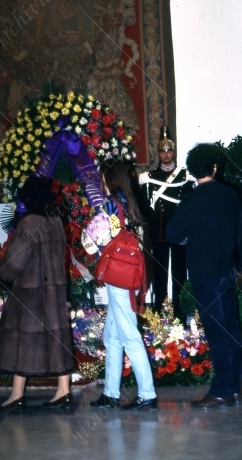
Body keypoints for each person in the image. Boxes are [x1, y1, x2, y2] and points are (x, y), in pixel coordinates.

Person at [166, 143, 242, 409]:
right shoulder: (230, 195)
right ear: (214, 166)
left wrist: (191, 237)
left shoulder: (191, 200)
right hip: (227, 271)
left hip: (203, 274)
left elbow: (173, 234)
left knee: (217, 332)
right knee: (232, 329)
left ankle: (221, 391)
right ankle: (233, 389)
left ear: (192, 171)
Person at [0, 175, 75, 412]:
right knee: (57, 340)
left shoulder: (29, 223)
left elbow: (16, 261)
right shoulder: (56, 220)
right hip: (54, 292)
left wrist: (1, 275)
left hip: (30, 293)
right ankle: (64, 390)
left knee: (23, 342)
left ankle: (17, 395)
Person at [82, 160, 157, 410]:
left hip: (119, 277)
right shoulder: (130, 202)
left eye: (102, 177)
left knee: (128, 334)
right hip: (132, 273)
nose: (100, 182)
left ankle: (147, 394)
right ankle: (111, 393)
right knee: (112, 335)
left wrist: (95, 257)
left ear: (108, 178)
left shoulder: (109, 205)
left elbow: (90, 239)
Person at [138, 126, 195, 319]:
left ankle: (180, 315)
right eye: (162, 151)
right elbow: (144, 205)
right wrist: (152, 220)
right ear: (158, 153)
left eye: (169, 150)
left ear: (173, 152)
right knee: (160, 275)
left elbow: (189, 204)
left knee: (180, 274)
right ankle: (160, 314)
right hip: (159, 230)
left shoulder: (185, 176)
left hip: (179, 232)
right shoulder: (150, 177)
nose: (166, 154)